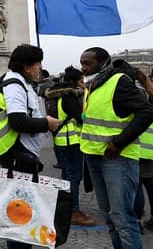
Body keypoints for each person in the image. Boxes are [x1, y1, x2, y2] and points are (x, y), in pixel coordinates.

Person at [79, 47, 153, 249]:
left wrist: (119, 143)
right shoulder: (92, 85)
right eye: (82, 63)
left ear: (103, 63)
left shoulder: (118, 82)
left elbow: (148, 112)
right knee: (110, 217)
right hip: (94, 156)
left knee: (122, 218)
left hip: (117, 158)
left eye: (88, 63)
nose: (83, 68)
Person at [0, 45, 60, 249]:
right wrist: (46, 123)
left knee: (22, 212)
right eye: (38, 64)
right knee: (20, 215)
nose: (40, 68)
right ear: (27, 67)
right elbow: (17, 120)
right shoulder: (15, 85)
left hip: (23, 154)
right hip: (19, 156)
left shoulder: (23, 83)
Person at [45, 66, 95, 226]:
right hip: (71, 140)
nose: (83, 83)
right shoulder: (69, 96)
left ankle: (64, 207)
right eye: (81, 80)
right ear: (74, 81)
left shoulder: (58, 95)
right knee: (74, 176)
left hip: (62, 139)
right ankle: (73, 211)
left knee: (67, 175)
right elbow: (79, 117)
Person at [128, 64, 153, 234]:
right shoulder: (152, 91)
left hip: (138, 142)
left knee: (136, 185)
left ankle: (136, 222)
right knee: (151, 183)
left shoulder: (133, 93)